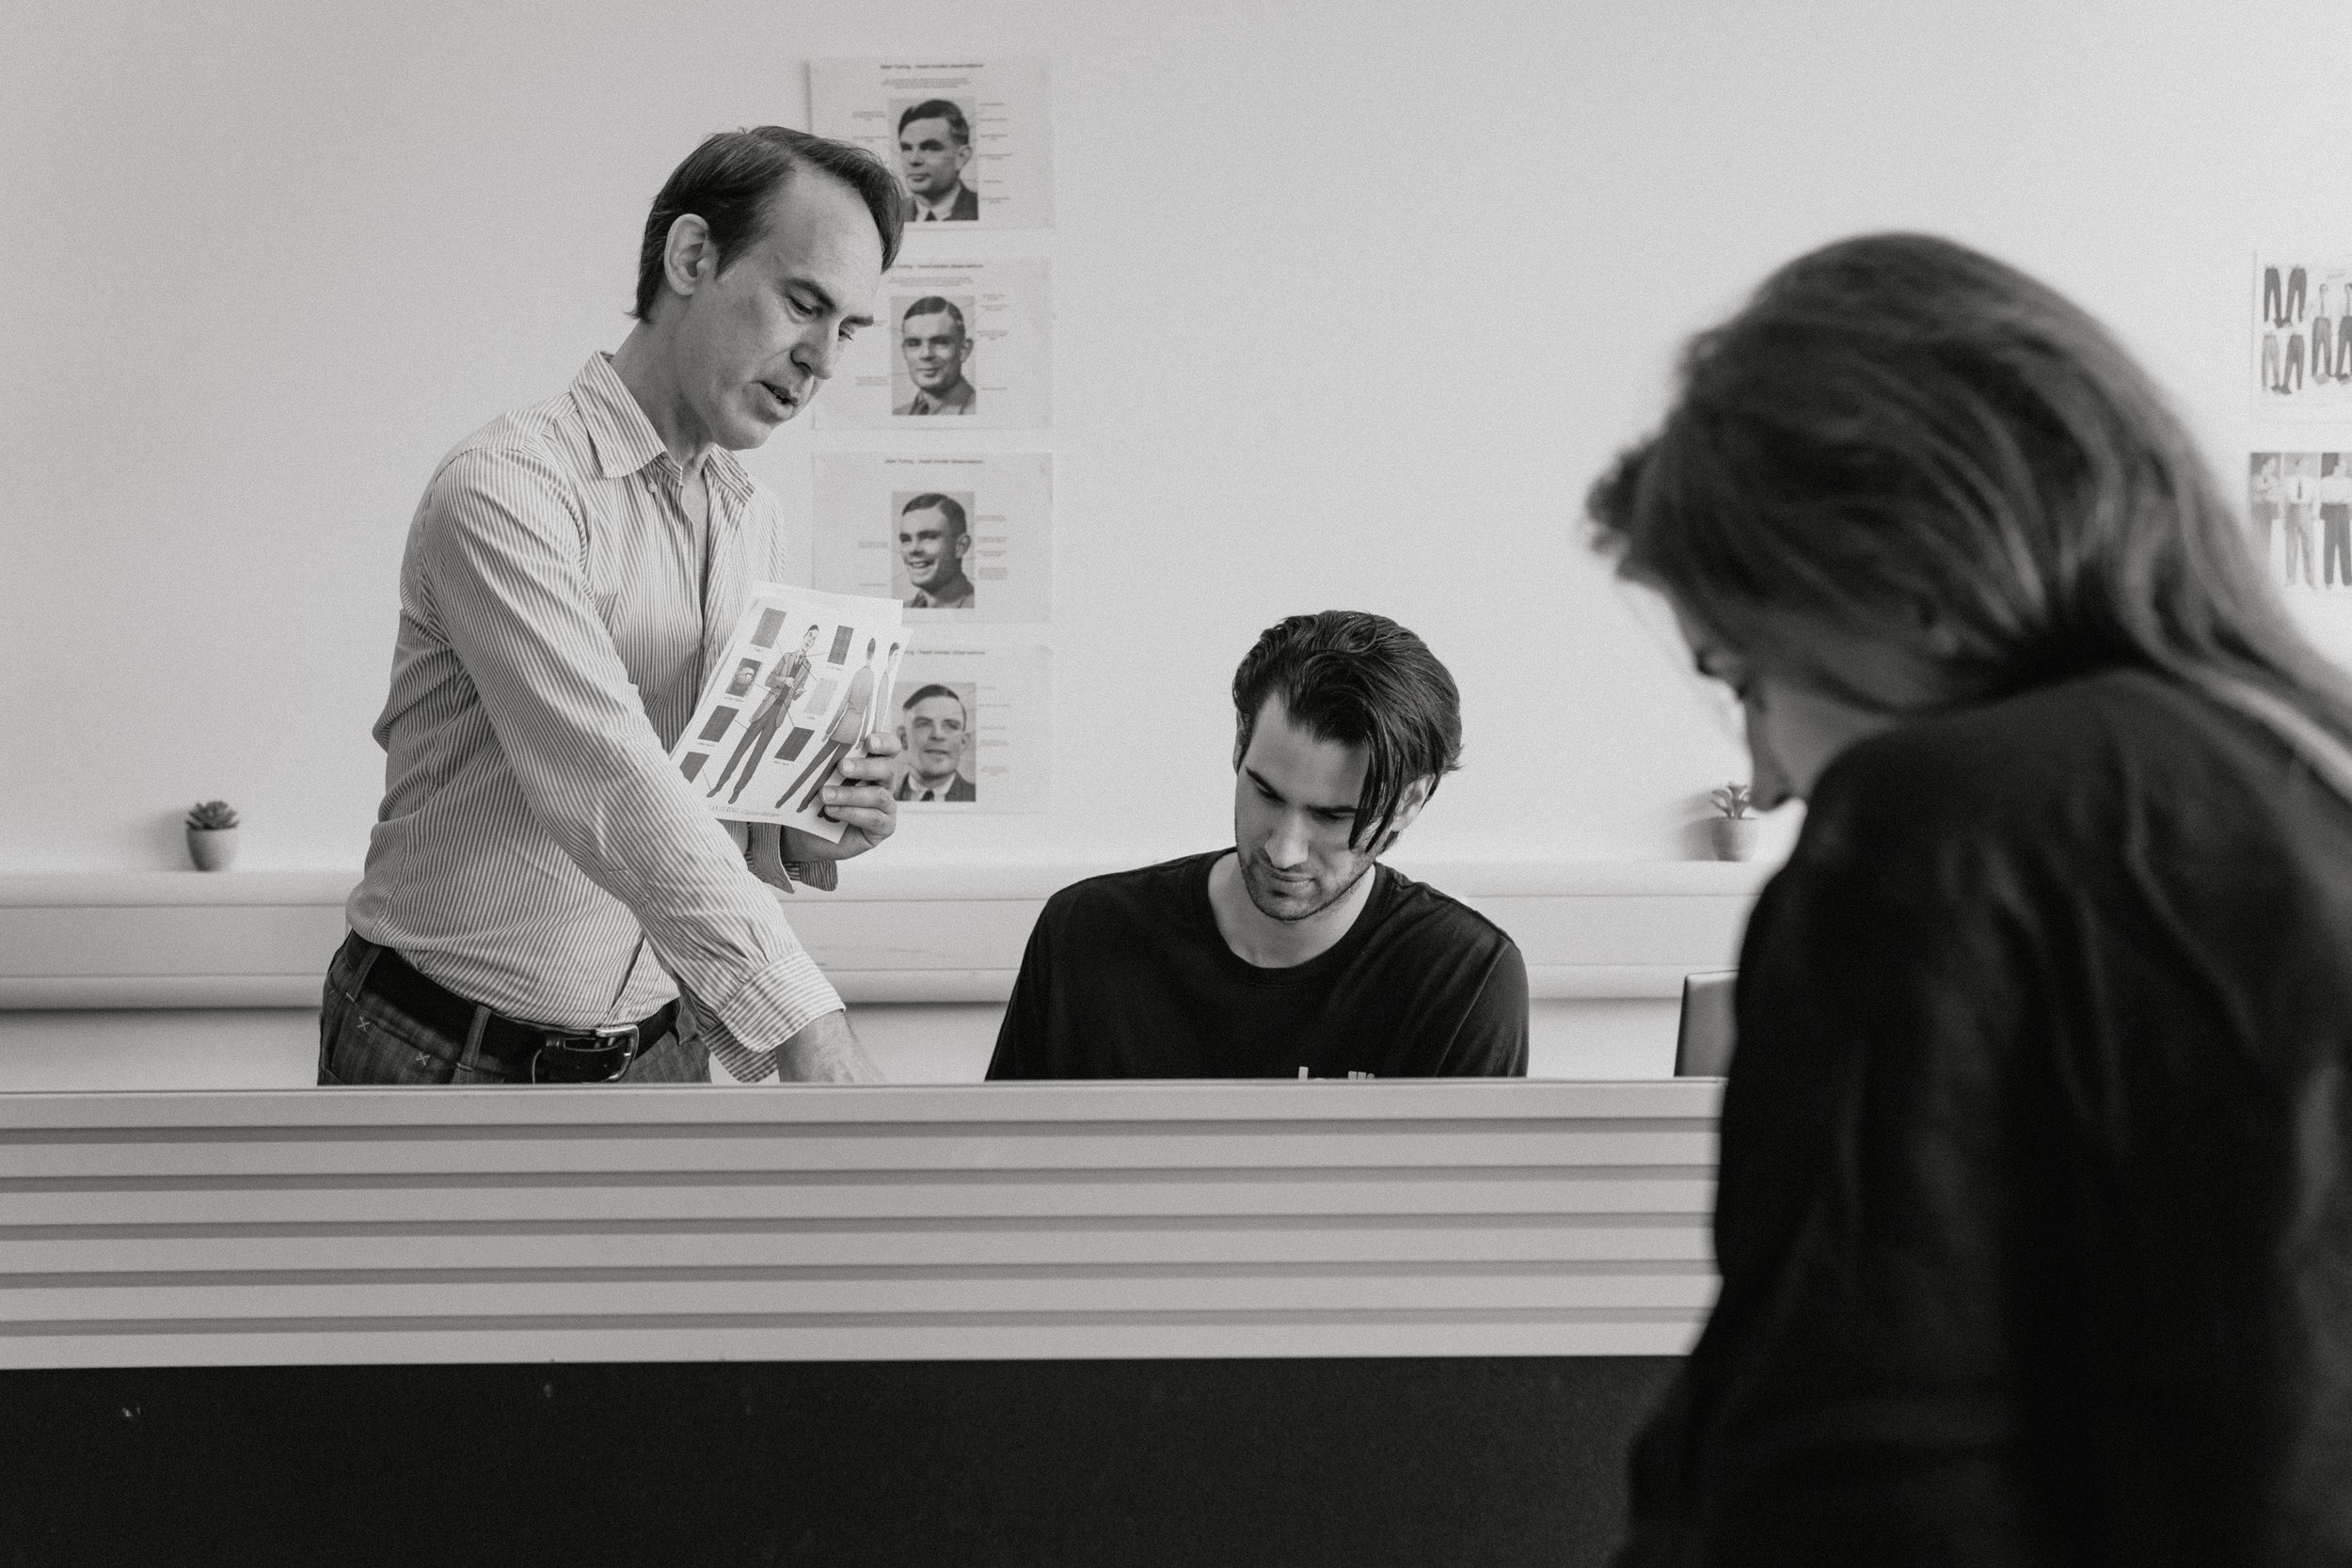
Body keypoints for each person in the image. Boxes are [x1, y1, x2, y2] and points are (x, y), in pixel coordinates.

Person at [1585, 233, 2352, 1562]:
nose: (1760, 780)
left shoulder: (1946, 826)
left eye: (1743, 675)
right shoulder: (2307, 776)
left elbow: (1845, 1483)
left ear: (1914, 587)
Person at [324, 127, 910, 1088]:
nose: (822, 362)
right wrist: (808, 1021)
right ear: (692, 257)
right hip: (442, 1052)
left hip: (661, 1047)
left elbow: (700, 800)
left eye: (847, 328)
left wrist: (801, 819)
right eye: (804, 304)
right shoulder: (506, 489)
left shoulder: (753, 517)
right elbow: (609, 780)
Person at [987, 610, 1528, 1080]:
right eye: (1266, 793)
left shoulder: (1463, 974)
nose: (1284, 850)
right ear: (1239, 744)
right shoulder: (1086, 933)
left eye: (1334, 816)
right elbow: (1000, 1183)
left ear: (1409, 803)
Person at [706, 625, 818, 805]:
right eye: (809, 636)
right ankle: (719, 785)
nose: (810, 641)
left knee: (756, 755)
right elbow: (769, 680)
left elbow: (794, 694)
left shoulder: (808, 666)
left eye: (813, 639)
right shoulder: (787, 656)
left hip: (778, 715)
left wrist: (798, 693)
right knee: (741, 748)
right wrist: (784, 681)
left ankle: (737, 790)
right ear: (804, 636)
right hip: (765, 709)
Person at [778, 640, 894, 814]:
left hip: (841, 727)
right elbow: (868, 712)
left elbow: (842, 705)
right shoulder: (872, 679)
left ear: (865, 654)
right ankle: (804, 805)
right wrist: (862, 737)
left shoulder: (857, 674)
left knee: (812, 766)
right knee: (827, 774)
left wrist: (828, 730)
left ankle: (784, 798)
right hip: (853, 733)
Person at [896, 98, 978, 222]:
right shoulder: (891, 214)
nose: (913, 160)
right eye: (906, 148)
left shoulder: (981, 211)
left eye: (929, 148)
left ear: (962, 157)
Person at [894, 684, 977, 801]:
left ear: (963, 742)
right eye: (924, 724)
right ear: (904, 738)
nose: (937, 735)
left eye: (951, 726)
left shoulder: (982, 800)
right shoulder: (885, 796)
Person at [893, 296, 976, 416]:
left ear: (963, 350)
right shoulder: (899, 414)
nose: (926, 354)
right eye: (914, 344)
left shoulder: (980, 413)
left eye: (940, 342)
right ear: (904, 351)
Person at [898, 493, 977, 609]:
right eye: (906, 540)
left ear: (960, 546)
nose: (913, 549)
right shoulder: (902, 611)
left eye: (929, 537)